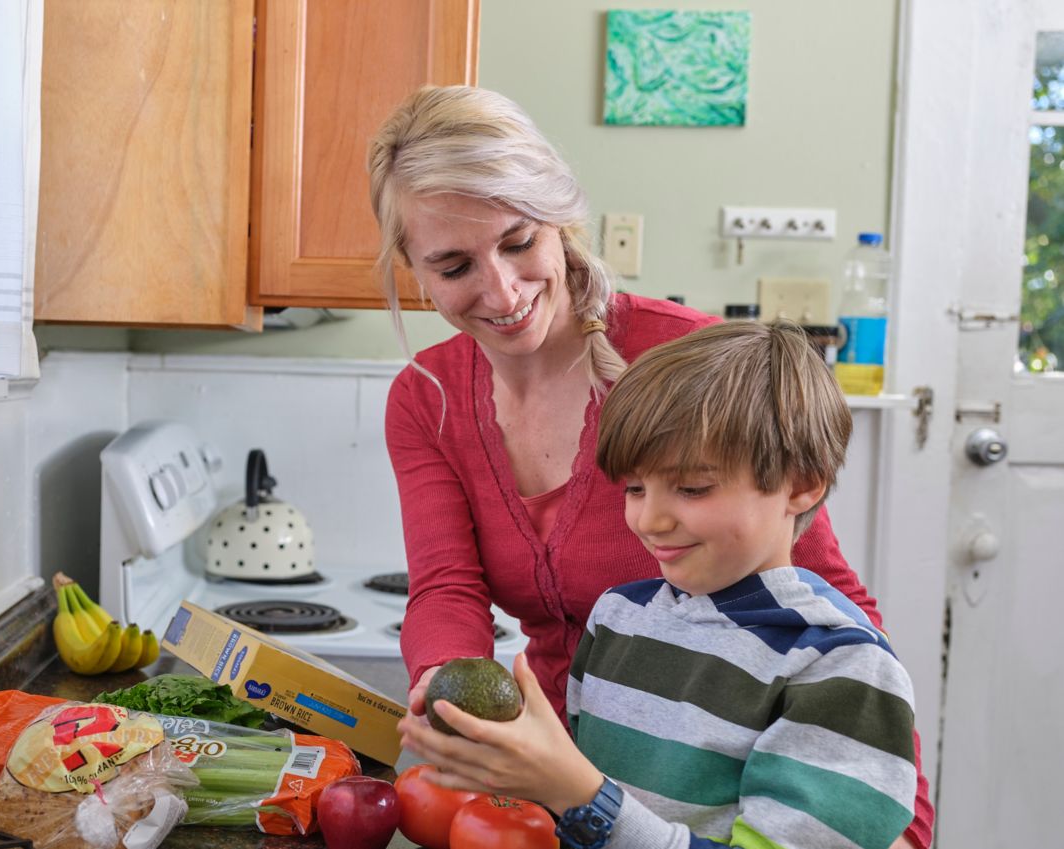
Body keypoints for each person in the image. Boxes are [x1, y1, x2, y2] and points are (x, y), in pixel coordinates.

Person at [369, 85, 932, 848]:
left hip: (724, 772)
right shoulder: (425, 397)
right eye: (452, 263)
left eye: (516, 241)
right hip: (580, 774)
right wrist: (454, 695)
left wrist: (895, 810)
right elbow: (445, 587)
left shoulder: (686, 366)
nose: (501, 289)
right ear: (412, 267)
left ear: (560, 221)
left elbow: (822, 592)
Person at [408, 321, 918, 848]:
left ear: (801, 486)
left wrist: (581, 796)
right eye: (634, 488)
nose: (649, 520)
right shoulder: (620, 619)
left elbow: (593, 805)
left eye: (692, 488)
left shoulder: (837, 668)